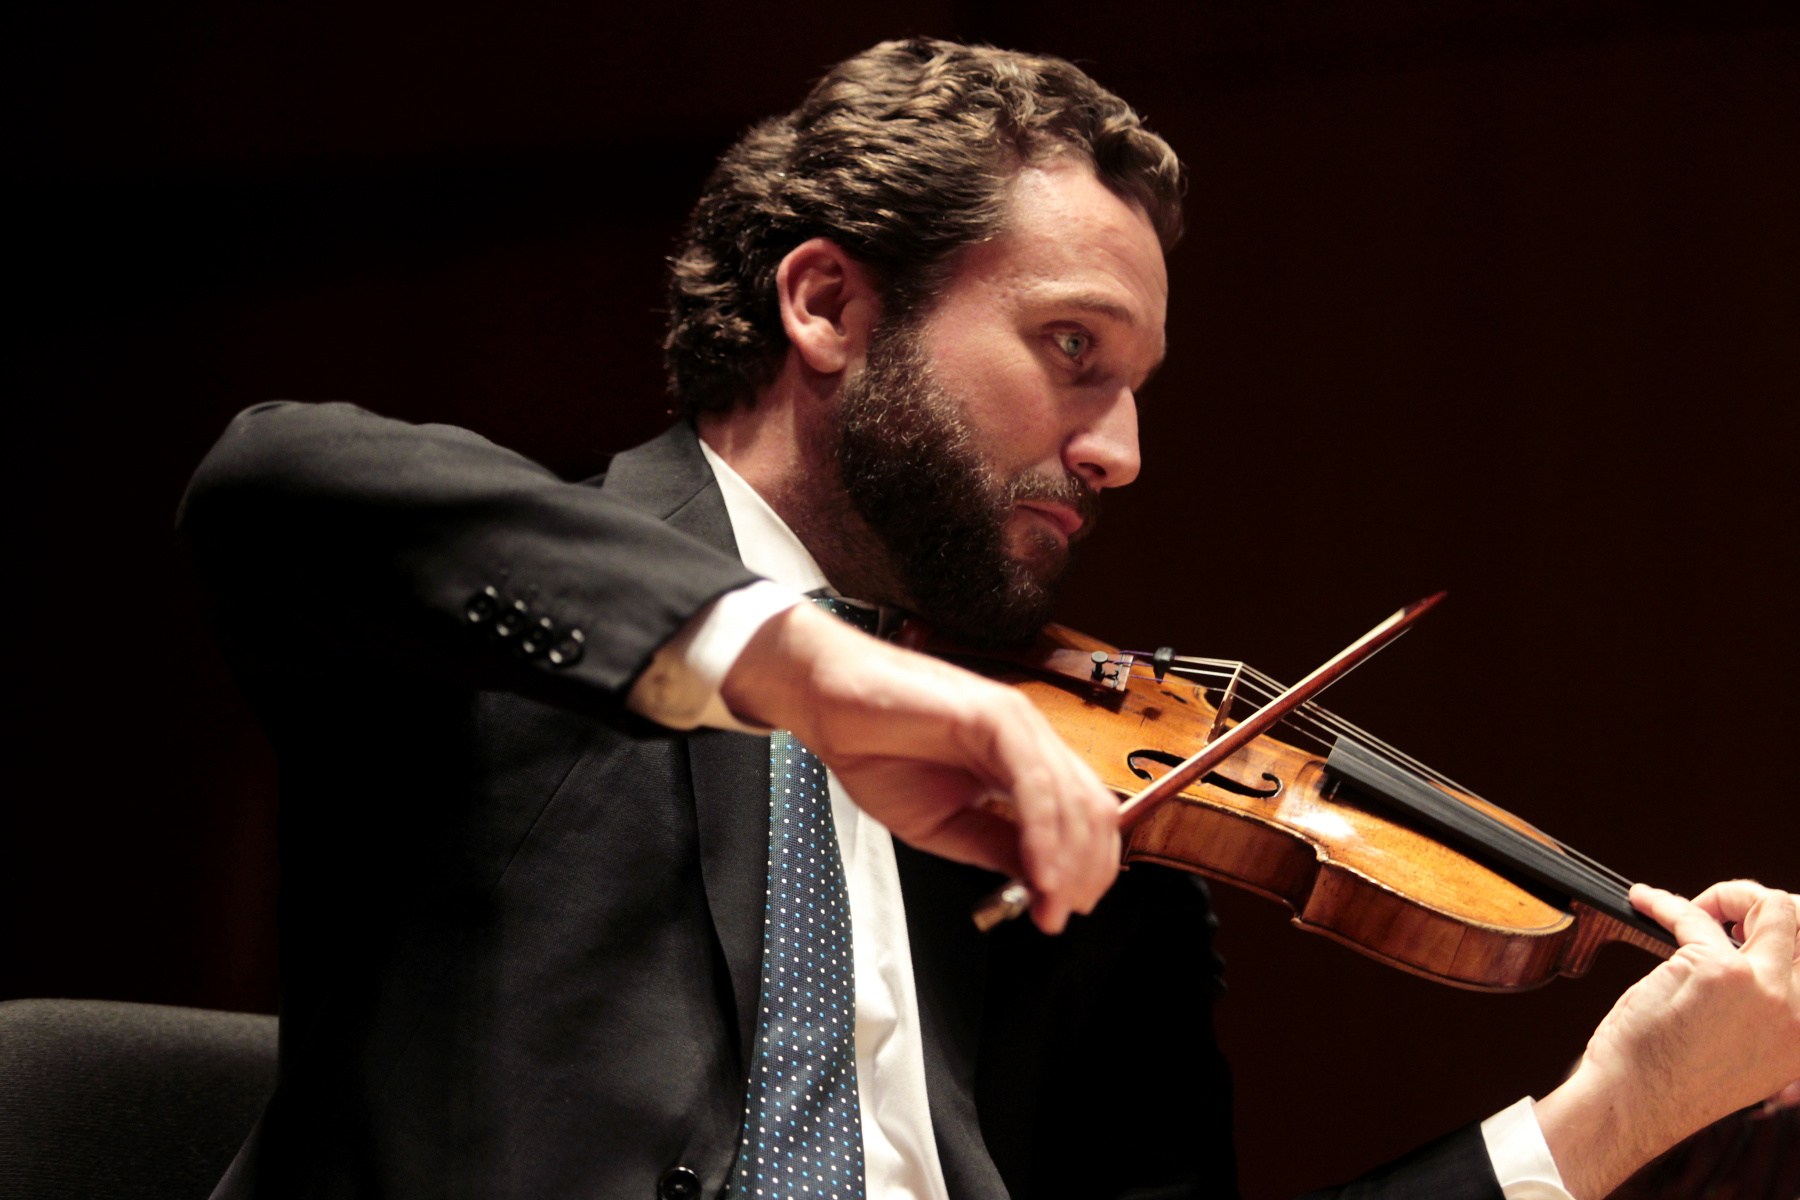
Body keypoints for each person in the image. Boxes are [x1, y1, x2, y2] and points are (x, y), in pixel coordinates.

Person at [179, 38, 1800, 1200]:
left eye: (1139, 388)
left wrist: (1602, 1120)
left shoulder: (1078, 825)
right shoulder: (519, 630)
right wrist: (800, 665)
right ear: (825, 304)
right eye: (1073, 351)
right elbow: (275, 480)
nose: (1121, 452)